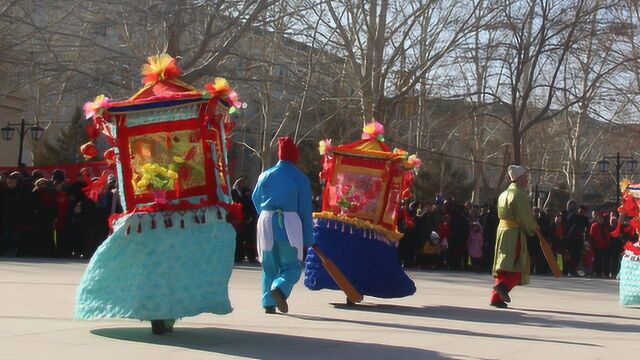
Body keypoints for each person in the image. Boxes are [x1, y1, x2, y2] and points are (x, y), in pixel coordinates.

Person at [252, 136, 314, 314]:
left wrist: (265, 214)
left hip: (266, 221)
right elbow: (305, 209)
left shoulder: (265, 174)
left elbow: (255, 198)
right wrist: (309, 237)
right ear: (295, 156)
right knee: (291, 265)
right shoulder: (300, 178)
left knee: (269, 265)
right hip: (289, 223)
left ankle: (268, 302)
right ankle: (280, 287)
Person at [490, 165, 537, 309]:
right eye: (526, 177)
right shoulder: (520, 195)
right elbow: (524, 218)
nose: (527, 180)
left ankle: (495, 298)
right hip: (514, 234)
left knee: (503, 267)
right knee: (517, 266)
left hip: (502, 232)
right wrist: (533, 227)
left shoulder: (503, 194)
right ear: (519, 178)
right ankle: (503, 287)